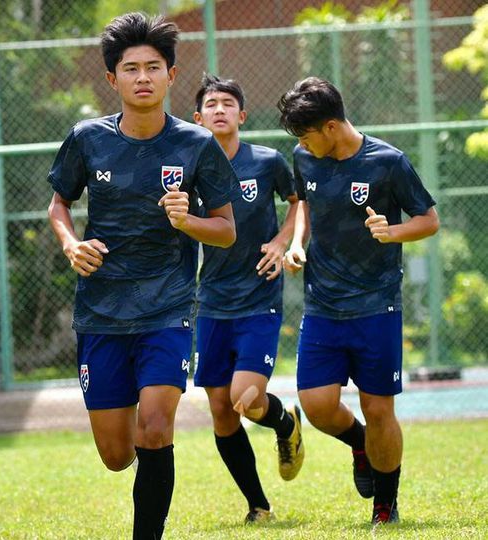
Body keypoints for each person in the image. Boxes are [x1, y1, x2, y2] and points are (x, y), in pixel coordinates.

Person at [47, 13, 239, 539]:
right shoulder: (87, 140)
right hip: (102, 310)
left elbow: (225, 230)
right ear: (112, 80)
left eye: (153, 67)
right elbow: (59, 203)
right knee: (115, 454)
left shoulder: (196, 145)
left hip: (168, 307)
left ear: (172, 75)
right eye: (131, 68)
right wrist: (71, 243)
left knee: (156, 428)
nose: (143, 77)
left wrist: (187, 220)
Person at [278, 77, 439, 525]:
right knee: (317, 405)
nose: (302, 145)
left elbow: (429, 220)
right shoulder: (305, 157)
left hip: (376, 306)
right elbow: (305, 205)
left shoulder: (388, 163)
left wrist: (393, 232)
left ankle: (385, 506)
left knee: (378, 408)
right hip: (322, 306)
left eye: (307, 135)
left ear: (331, 127)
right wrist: (297, 242)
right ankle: (361, 446)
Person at [192, 75, 303, 523]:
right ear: (197, 119)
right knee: (222, 411)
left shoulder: (268, 161)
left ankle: (284, 422)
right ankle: (258, 506)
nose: (219, 109)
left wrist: (281, 242)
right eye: (210, 104)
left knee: (245, 398)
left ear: (242, 115)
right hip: (211, 300)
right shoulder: (189, 167)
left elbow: (299, 203)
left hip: (259, 296)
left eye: (228, 103)